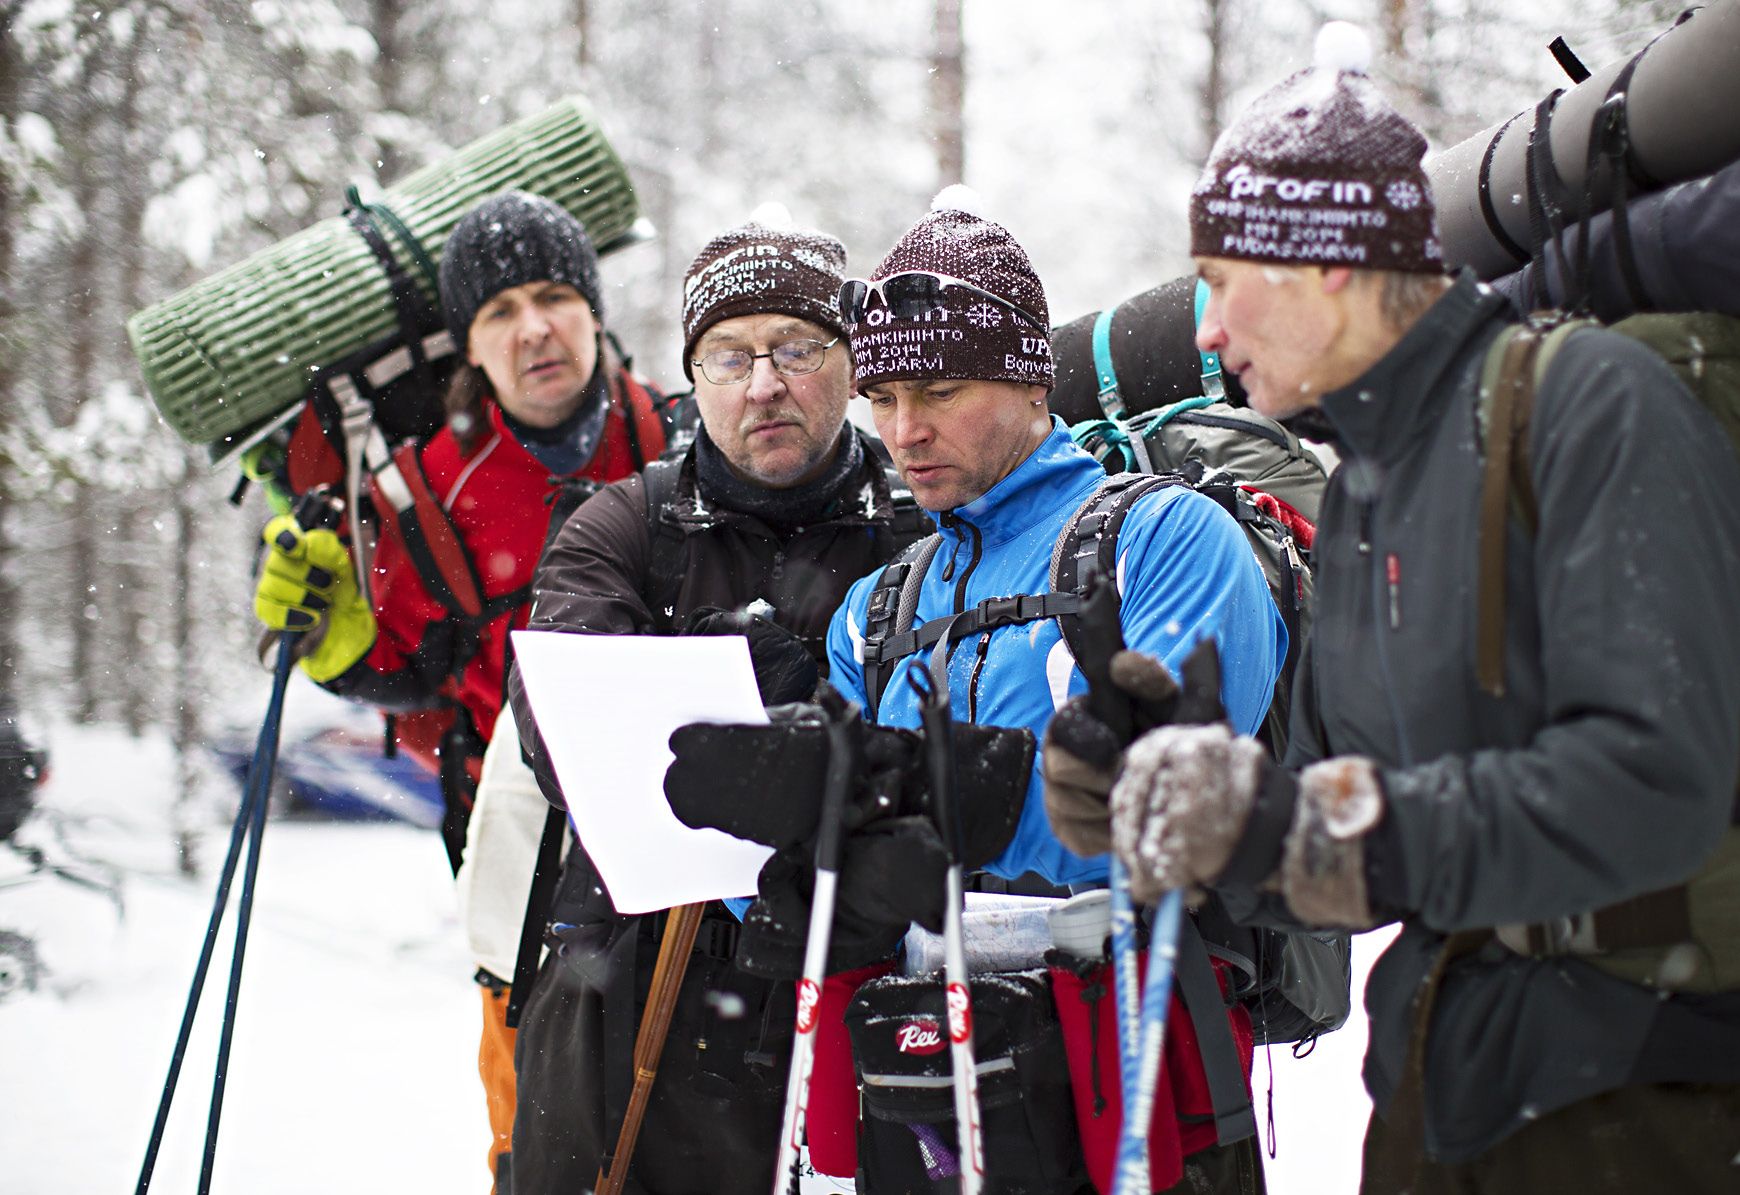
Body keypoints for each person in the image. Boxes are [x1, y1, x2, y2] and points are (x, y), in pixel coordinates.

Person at [1053, 23, 1740, 1192]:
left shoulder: (1587, 406)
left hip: (1645, 1088)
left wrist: (1308, 825)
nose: (1206, 335)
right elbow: (1347, 819)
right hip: (1451, 1079)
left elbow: (1658, 786)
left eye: (1224, 286)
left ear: (1330, 264)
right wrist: (1177, 786)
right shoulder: (1373, 481)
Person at [825, 187, 1287, 1191]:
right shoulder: (871, 607)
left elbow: (1161, 803)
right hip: (926, 1090)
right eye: (884, 399)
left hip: (1138, 1080)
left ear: (1035, 383)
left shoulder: (1164, 539)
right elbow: (829, 878)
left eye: (941, 390)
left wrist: (906, 805)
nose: (905, 430)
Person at [251, 189, 670, 1194]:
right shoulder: (425, 489)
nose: (534, 328)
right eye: (499, 311)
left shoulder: (682, 435)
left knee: (697, 1125)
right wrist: (330, 637)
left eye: (554, 295)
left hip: (688, 830)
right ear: (469, 347)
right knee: (540, 1139)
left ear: (594, 310)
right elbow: (401, 670)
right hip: (521, 861)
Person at [504, 207, 923, 1195]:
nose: (764, 382)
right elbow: (568, 741)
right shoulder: (622, 527)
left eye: (796, 346)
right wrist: (757, 683)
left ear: (854, 361)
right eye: (730, 356)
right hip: (638, 985)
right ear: (693, 379)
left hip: (867, 973)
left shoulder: (921, 521)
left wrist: (751, 705)